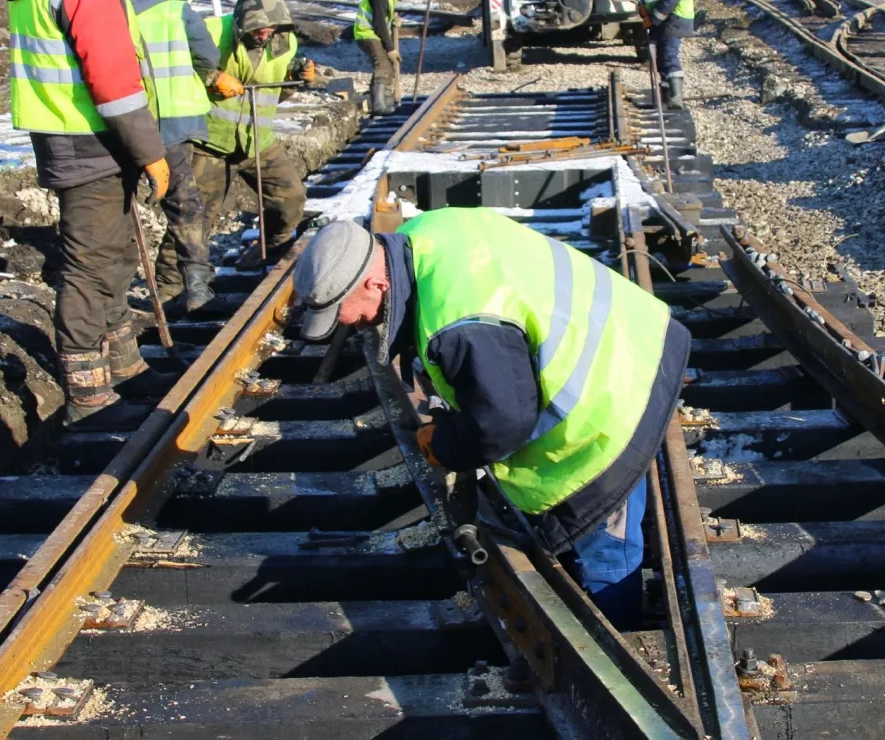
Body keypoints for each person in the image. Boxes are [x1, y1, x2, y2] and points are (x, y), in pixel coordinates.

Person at [292, 210, 691, 629]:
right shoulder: (421, 233)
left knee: (604, 541)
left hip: (610, 398)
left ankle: (622, 644)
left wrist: (445, 443)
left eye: (343, 312)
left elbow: (502, 424)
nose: (349, 325)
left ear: (376, 283)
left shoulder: (458, 324)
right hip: (619, 334)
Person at [4, 0, 169, 425]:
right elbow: (115, 83)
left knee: (113, 254)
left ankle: (123, 363)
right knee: (90, 266)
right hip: (92, 140)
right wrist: (150, 153)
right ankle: (87, 395)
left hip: (65, 135)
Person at [189, 0, 318, 273]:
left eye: (270, 27)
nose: (264, 33)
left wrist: (297, 79)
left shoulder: (285, 44)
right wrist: (210, 76)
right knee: (195, 218)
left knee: (290, 199)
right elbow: (177, 68)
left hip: (258, 140)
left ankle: (269, 251)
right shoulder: (209, 34)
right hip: (210, 141)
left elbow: (275, 95)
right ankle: (176, 289)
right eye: (258, 27)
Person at [121, 0, 218, 315]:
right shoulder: (176, 8)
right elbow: (209, 57)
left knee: (119, 209)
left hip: (122, 121)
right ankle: (196, 288)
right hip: (172, 125)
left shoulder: (112, 5)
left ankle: (114, 302)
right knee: (184, 205)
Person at [627, 0, 694, 109]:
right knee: (660, 58)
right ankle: (665, 97)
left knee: (669, 55)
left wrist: (654, 18)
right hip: (664, 19)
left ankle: (676, 98)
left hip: (675, 17)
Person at [353, 0, 418, 116]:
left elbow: (384, 16)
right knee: (382, 64)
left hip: (374, 32)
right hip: (366, 33)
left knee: (388, 65)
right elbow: (379, 24)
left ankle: (387, 101)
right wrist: (390, 48)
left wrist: (393, 17)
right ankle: (378, 105)